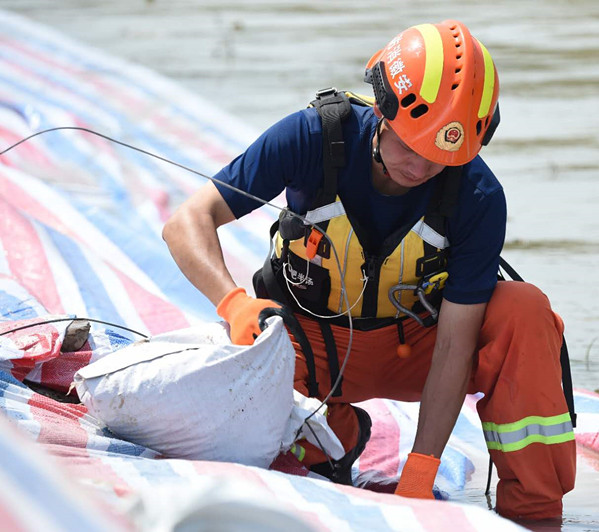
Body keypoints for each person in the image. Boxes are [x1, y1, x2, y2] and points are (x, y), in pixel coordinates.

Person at [162, 19, 576, 521]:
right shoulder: (310, 138)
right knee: (229, 429)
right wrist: (235, 305)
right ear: (382, 108)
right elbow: (187, 222)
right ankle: (334, 436)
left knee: (524, 310)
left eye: (441, 157)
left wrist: (420, 474)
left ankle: (532, 515)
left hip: (417, 350)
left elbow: (453, 347)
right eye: (411, 145)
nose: (421, 169)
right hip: (309, 351)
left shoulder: (479, 197)